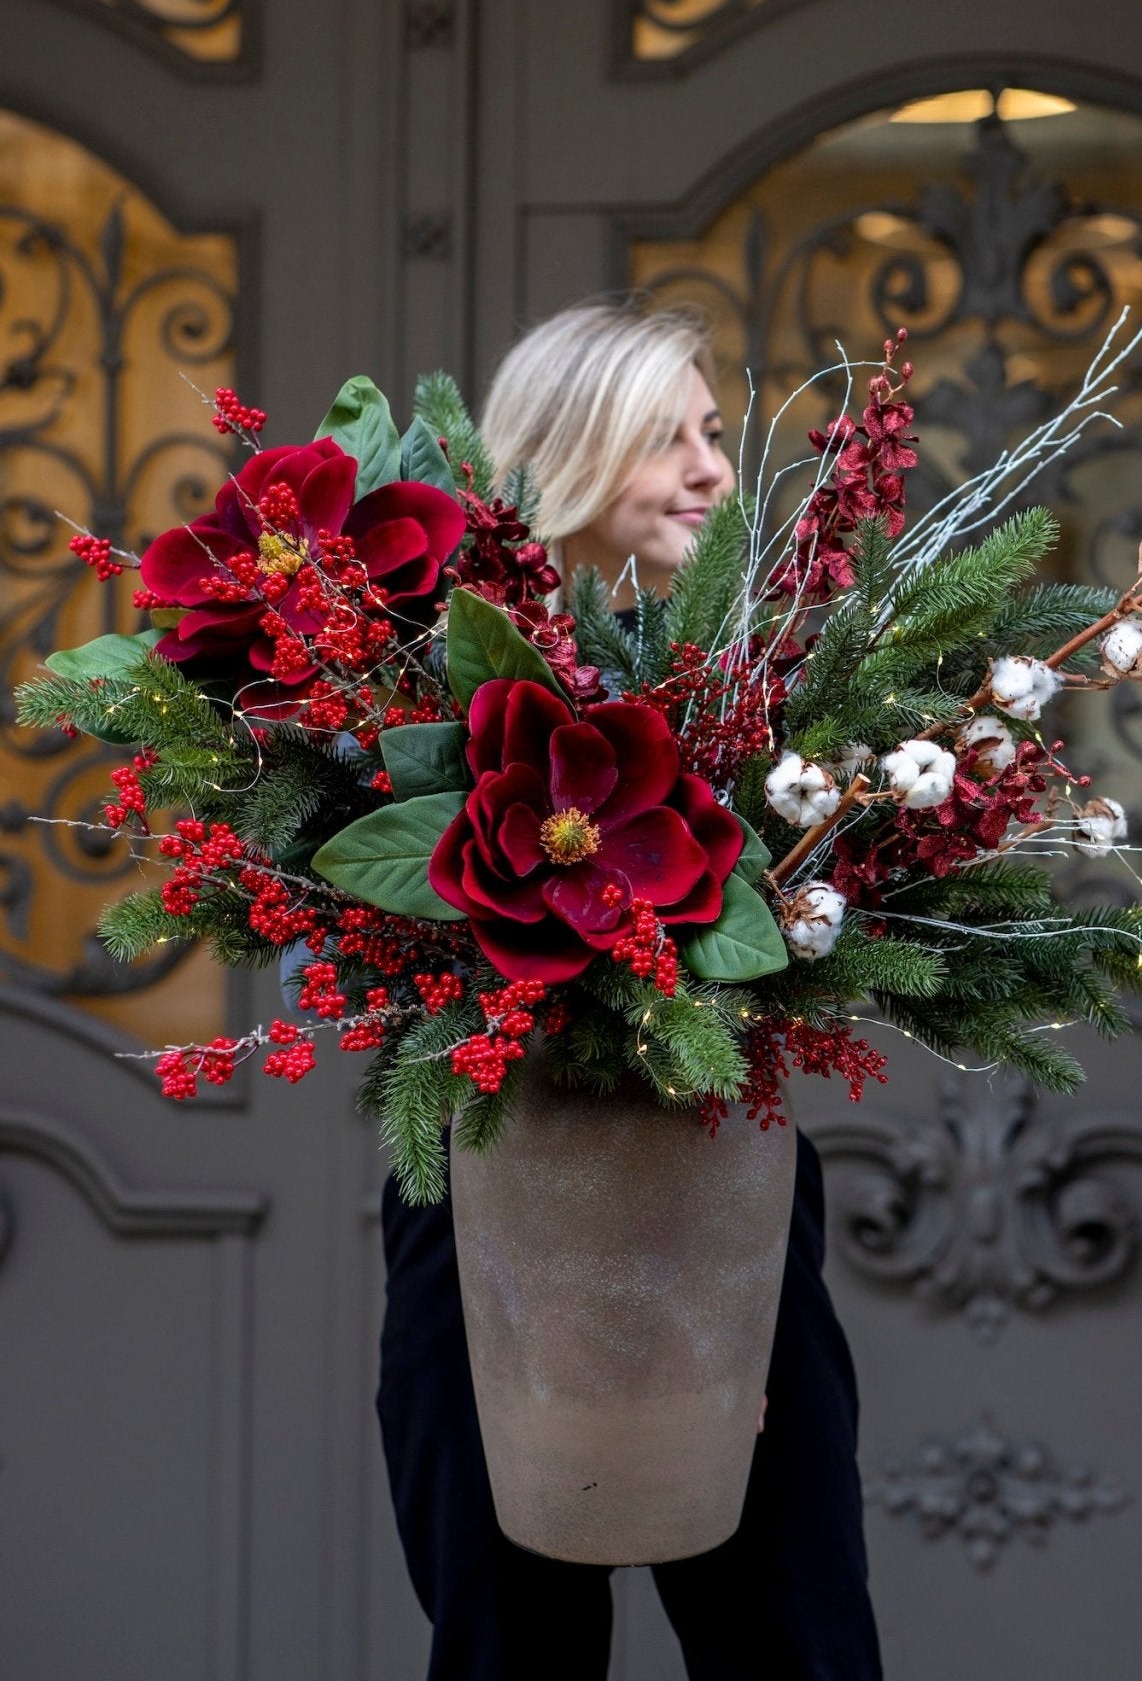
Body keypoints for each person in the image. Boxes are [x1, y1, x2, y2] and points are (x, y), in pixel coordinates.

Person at [376, 298, 883, 1680]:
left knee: (794, 1636)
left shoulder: (766, 701)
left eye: (713, 433)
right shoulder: (407, 696)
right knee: (506, 1647)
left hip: (727, 1200)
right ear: (568, 453)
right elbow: (347, 953)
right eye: (668, 439)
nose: (716, 469)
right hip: (482, 1200)